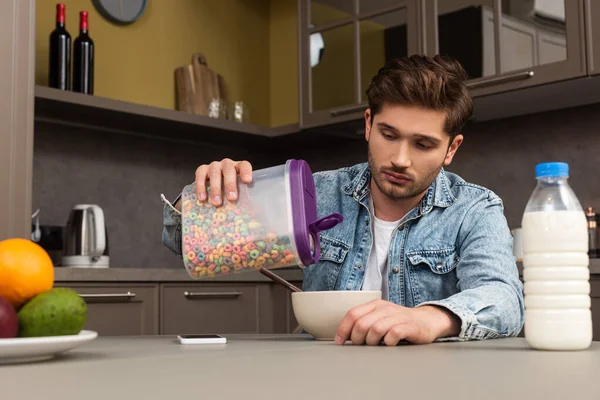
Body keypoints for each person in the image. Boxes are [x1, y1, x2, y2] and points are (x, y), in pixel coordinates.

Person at [161, 54, 524, 346]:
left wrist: (428, 318)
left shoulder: (475, 209)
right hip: (320, 372)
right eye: (388, 134)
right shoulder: (316, 193)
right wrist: (206, 200)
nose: (400, 158)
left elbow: (506, 300)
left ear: (451, 149)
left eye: (423, 144)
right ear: (368, 124)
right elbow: (187, 244)